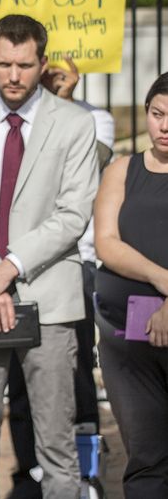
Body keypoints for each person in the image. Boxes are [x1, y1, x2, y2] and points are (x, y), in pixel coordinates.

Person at [0, 14, 99, 498]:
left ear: (42, 63)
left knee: (56, 446)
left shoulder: (74, 123)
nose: (13, 75)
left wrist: (6, 270)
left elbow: (74, 214)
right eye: (4, 63)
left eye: (25, 65)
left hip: (48, 299)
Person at [5, 56, 115, 498]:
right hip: (16, 264)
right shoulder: (12, 120)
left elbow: (93, 164)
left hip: (75, 263)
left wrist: (63, 103)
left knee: (76, 372)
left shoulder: (96, 118)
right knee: (19, 376)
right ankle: (27, 471)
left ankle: (84, 467)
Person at [93, 73, 168, 495]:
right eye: (157, 114)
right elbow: (106, 242)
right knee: (145, 451)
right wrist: (163, 280)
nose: (165, 126)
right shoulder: (122, 169)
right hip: (127, 342)